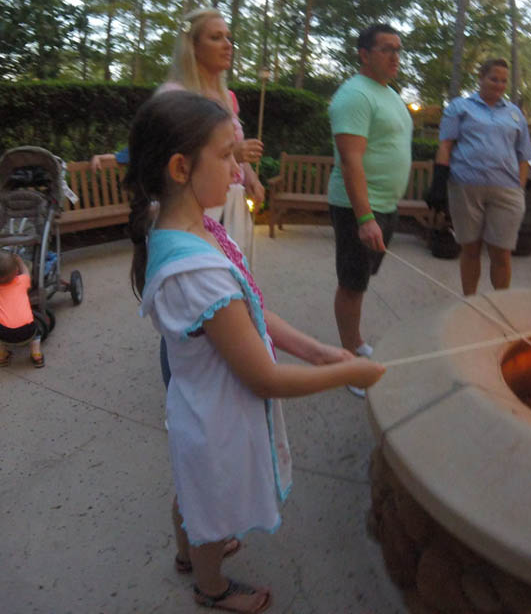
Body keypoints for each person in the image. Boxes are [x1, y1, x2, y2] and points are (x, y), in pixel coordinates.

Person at [126, 91, 385, 612]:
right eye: (227, 157)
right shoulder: (196, 270)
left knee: (194, 489)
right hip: (215, 417)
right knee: (208, 498)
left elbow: (252, 312)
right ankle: (210, 586)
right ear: (180, 167)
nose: (240, 172)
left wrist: (319, 352)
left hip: (201, 410)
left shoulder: (193, 228)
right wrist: (351, 371)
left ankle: (189, 552)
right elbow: (265, 379)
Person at [91, 8, 264, 262]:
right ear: (191, 46)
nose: (228, 45)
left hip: (231, 200)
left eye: (228, 38)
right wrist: (117, 158)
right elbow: (162, 154)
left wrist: (250, 176)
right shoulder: (173, 95)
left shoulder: (228, 98)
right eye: (216, 38)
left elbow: (234, 147)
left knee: (234, 276)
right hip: (192, 207)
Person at [326, 23, 412, 397]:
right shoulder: (355, 95)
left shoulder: (388, 94)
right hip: (359, 208)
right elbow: (350, 160)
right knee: (351, 282)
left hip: (383, 205)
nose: (395, 56)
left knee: (360, 281)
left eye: (398, 49)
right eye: (386, 49)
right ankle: (348, 363)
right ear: (364, 54)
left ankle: (356, 342)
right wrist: (364, 218)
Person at [430, 58, 531, 294]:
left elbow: (524, 155)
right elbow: (445, 145)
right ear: (481, 78)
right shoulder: (460, 107)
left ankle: (500, 305)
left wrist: (520, 188)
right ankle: (470, 302)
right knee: (470, 249)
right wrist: (438, 182)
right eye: (493, 79)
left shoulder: (515, 114)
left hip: (506, 190)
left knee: (502, 252)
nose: (499, 85)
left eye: (504, 81)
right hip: (465, 186)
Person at [0, 251, 43, 368]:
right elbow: (27, 272)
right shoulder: (22, 281)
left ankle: (2, 356)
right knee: (38, 332)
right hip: (27, 331)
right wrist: (20, 262)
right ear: (16, 271)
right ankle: (36, 355)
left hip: (2, 333)